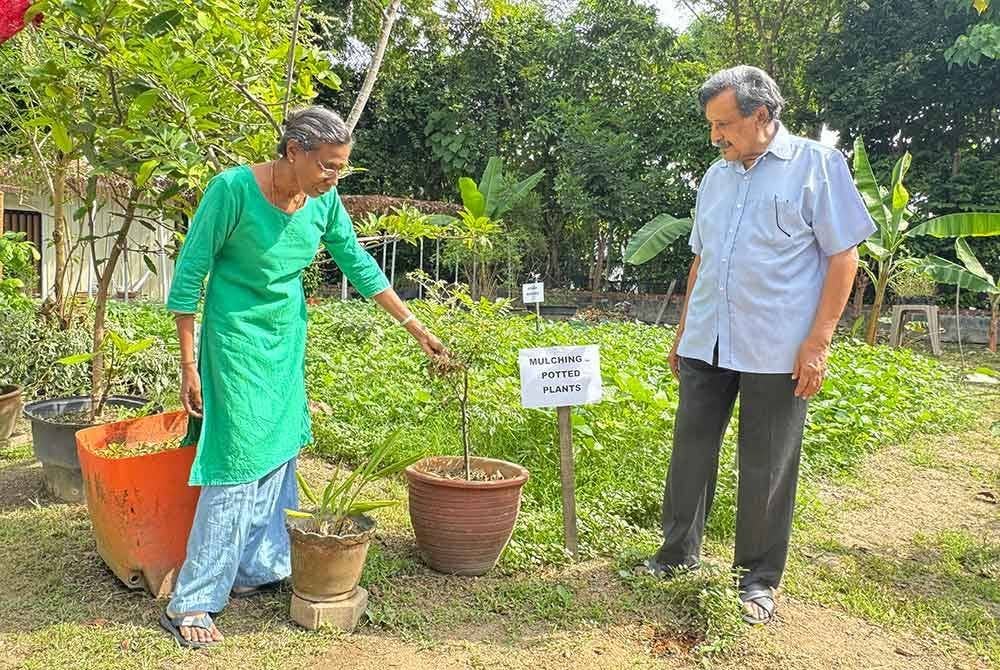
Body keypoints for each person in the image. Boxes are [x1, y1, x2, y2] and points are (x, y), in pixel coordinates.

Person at [160, 106, 445, 647]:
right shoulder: (232, 190)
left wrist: (415, 326)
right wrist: (189, 362)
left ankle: (257, 569)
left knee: (280, 449)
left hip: (285, 339)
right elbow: (192, 272)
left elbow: (357, 261)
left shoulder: (321, 200)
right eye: (328, 166)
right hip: (234, 341)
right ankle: (193, 600)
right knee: (236, 462)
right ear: (293, 151)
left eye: (341, 168)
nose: (334, 177)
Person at [636, 66, 875, 625]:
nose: (715, 137)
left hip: (777, 347)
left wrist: (818, 343)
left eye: (725, 125)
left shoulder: (817, 166)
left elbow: (844, 258)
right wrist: (681, 331)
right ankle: (676, 556)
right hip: (707, 340)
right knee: (690, 450)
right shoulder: (714, 178)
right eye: (712, 126)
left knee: (767, 462)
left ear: (763, 115)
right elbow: (703, 259)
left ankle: (757, 580)